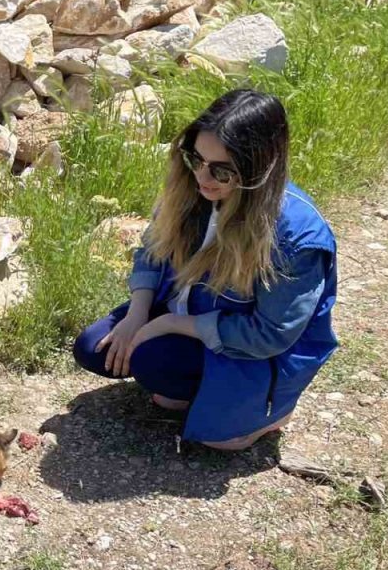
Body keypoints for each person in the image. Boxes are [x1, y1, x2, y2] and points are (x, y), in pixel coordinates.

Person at [72, 89, 339, 450]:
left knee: (150, 360)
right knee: (93, 348)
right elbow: (151, 250)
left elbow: (270, 335)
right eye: (195, 158)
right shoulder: (192, 188)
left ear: (261, 166)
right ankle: (188, 386)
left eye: (222, 170)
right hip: (188, 311)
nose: (203, 176)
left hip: (248, 349)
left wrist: (167, 324)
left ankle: (269, 413)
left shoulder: (296, 236)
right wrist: (136, 316)